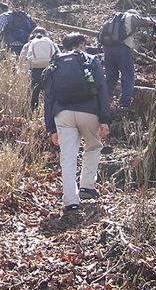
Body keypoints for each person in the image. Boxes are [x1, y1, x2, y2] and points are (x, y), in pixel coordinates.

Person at [44, 32, 111, 214]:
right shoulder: (90, 60)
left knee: (68, 157)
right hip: (89, 112)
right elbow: (102, 88)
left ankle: (70, 201)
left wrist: (50, 127)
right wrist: (104, 119)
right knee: (93, 146)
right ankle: (87, 186)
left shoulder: (56, 63)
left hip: (62, 114)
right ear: (81, 44)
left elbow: (49, 96)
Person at [99, 8, 156, 109]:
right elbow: (144, 21)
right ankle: (124, 104)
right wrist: (152, 21)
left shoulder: (112, 19)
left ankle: (103, 101)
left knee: (111, 77)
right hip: (122, 49)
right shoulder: (130, 17)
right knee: (128, 76)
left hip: (107, 49)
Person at [18, 27, 59, 111]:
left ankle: (32, 110)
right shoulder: (51, 43)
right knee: (49, 92)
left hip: (34, 70)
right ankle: (48, 110)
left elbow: (22, 59)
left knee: (34, 92)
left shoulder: (29, 44)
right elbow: (59, 55)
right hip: (49, 69)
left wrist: (23, 70)